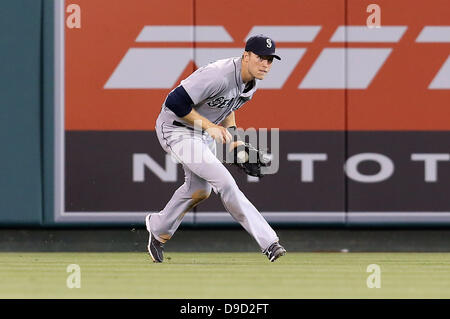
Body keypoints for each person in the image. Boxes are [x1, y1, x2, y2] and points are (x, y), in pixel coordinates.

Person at [146, 34, 286, 263]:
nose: (265, 64)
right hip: (176, 129)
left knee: (200, 190)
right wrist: (209, 126)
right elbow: (174, 102)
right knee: (225, 182)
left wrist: (235, 141)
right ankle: (269, 242)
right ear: (246, 56)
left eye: (270, 60)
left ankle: (158, 228)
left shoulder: (250, 85)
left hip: (202, 133)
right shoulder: (219, 74)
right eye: (260, 57)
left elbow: (227, 106)